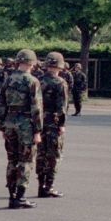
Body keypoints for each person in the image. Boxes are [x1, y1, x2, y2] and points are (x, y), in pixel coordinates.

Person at [0, 49, 43, 209]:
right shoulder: (32, 81)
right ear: (32, 63)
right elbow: (36, 108)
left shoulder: (8, 79)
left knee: (12, 160)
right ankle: (20, 196)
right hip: (25, 124)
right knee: (26, 160)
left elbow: (1, 104)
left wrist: (2, 126)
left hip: (9, 122)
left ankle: (11, 195)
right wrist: (38, 130)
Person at [37, 52, 68, 197]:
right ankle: (48, 186)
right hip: (53, 123)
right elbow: (61, 107)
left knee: (40, 154)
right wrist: (62, 125)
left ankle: (40, 184)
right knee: (53, 155)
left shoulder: (38, 80)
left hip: (39, 122)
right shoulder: (60, 83)